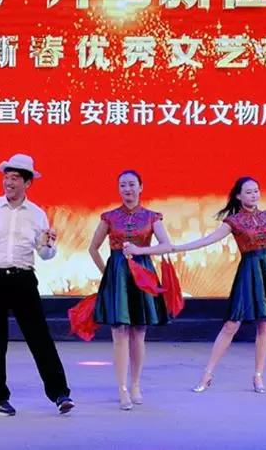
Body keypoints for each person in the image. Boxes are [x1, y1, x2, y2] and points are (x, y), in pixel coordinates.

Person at [0, 153, 74, 416]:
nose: (8, 182)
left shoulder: (37, 214)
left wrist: (49, 244)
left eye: (15, 178)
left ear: (27, 183)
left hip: (23, 278)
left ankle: (60, 393)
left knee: (39, 336)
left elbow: (45, 254)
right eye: (6, 177)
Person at [174, 176, 266, 393]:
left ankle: (258, 376)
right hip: (249, 272)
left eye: (256, 191)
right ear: (238, 196)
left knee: (265, 324)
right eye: (248, 192)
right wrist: (177, 248)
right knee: (231, 324)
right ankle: (207, 374)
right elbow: (207, 240)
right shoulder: (234, 221)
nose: (254, 195)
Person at [88, 170, 175, 410]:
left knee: (138, 332)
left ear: (141, 187)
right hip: (118, 276)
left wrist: (140, 251)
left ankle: (135, 384)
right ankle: (122, 388)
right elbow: (93, 248)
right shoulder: (109, 217)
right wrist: (108, 273)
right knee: (119, 332)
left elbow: (166, 245)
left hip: (143, 275)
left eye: (132, 184)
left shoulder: (152, 217)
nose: (127, 189)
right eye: (123, 185)